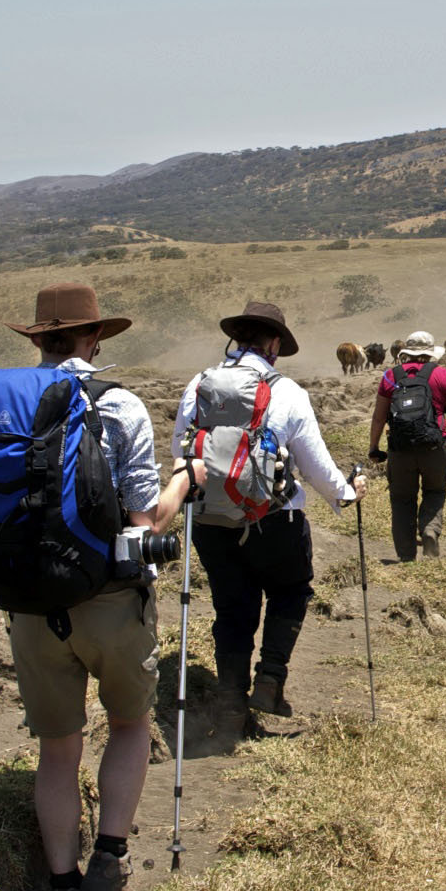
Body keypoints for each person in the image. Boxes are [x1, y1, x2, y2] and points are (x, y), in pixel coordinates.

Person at [0, 282, 204, 891]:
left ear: (37, 340)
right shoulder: (119, 407)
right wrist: (185, 481)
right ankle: (110, 856)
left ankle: (60, 885)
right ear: (94, 339)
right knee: (127, 724)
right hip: (113, 601)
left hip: (33, 609)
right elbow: (145, 523)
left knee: (57, 751)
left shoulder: (0, 409)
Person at [172, 302, 366, 732]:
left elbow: (178, 451)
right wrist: (348, 492)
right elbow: (316, 468)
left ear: (237, 339)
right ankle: (271, 680)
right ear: (274, 343)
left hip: (212, 522)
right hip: (274, 521)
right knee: (291, 590)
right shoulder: (289, 392)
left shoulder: (197, 385)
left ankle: (230, 701)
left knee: (232, 609)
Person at [368, 331, 446, 562]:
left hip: (400, 449)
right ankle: (430, 529)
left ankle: (406, 558)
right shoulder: (442, 375)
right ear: (429, 353)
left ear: (407, 352)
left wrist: (374, 447)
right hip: (435, 447)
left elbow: (378, 417)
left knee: (402, 499)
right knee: (435, 491)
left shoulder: (390, 376)